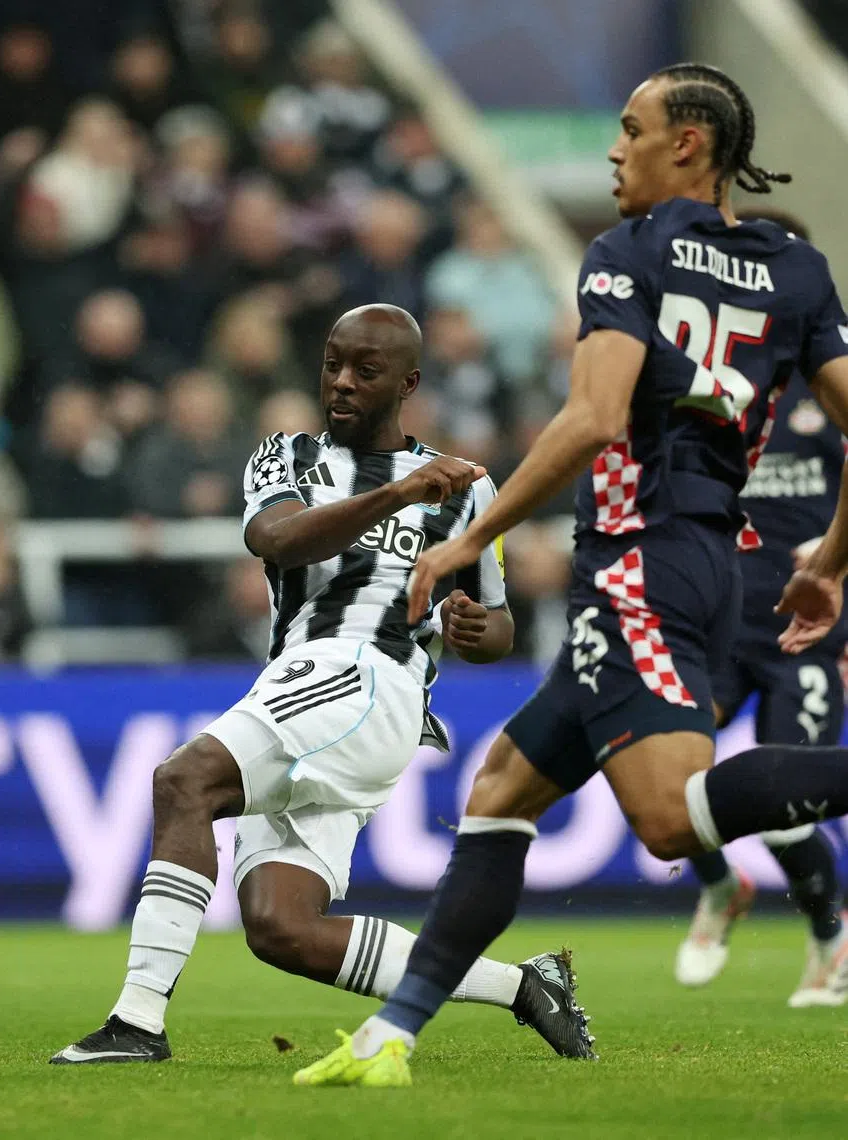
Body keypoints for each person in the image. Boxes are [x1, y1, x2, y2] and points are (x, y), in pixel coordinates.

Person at [295, 63, 848, 1089]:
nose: (613, 148)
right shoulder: (795, 270)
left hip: (638, 556)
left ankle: (395, 1034)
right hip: (704, 561)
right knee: (501, 793)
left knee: (671, 820)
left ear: (688, 143)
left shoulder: (624, 252)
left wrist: (468, 539)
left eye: (630, 128)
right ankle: (391, 1038)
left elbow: (594, 418)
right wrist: (832, 561)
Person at [49, 303, 594, 1066]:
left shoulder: (467, 487)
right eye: (332, 363)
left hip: (370, 677)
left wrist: (478, 630)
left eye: (364, 371)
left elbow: (497, 623)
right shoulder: (288, 456)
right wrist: (398, 497)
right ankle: (524, 987)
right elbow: (275, 538)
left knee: (184, 780)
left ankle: (137, 1023)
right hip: (306, 680)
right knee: (281, 927)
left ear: (407, 383)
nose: (340, 382)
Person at [675, 211, 848, 1005]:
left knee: (783, 814)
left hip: (807, 638)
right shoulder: (714, 389)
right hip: (719, 628)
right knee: (656, 770)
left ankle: (830, 937)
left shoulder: (828, 390)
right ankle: (719, 887)